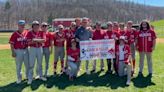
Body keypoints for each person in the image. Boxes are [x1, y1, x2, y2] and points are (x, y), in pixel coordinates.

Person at [9, 20, 29, 84]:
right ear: (18, 26)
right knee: (18, 66)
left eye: (23, 25)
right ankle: (19, 78)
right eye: (21, 25)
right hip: (18, 51)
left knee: (27, 65)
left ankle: (28, 76)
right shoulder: (15, 34)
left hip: (26, 50)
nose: (22, 26)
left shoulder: (26, 32)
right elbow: (11, 44)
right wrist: (13, 52)